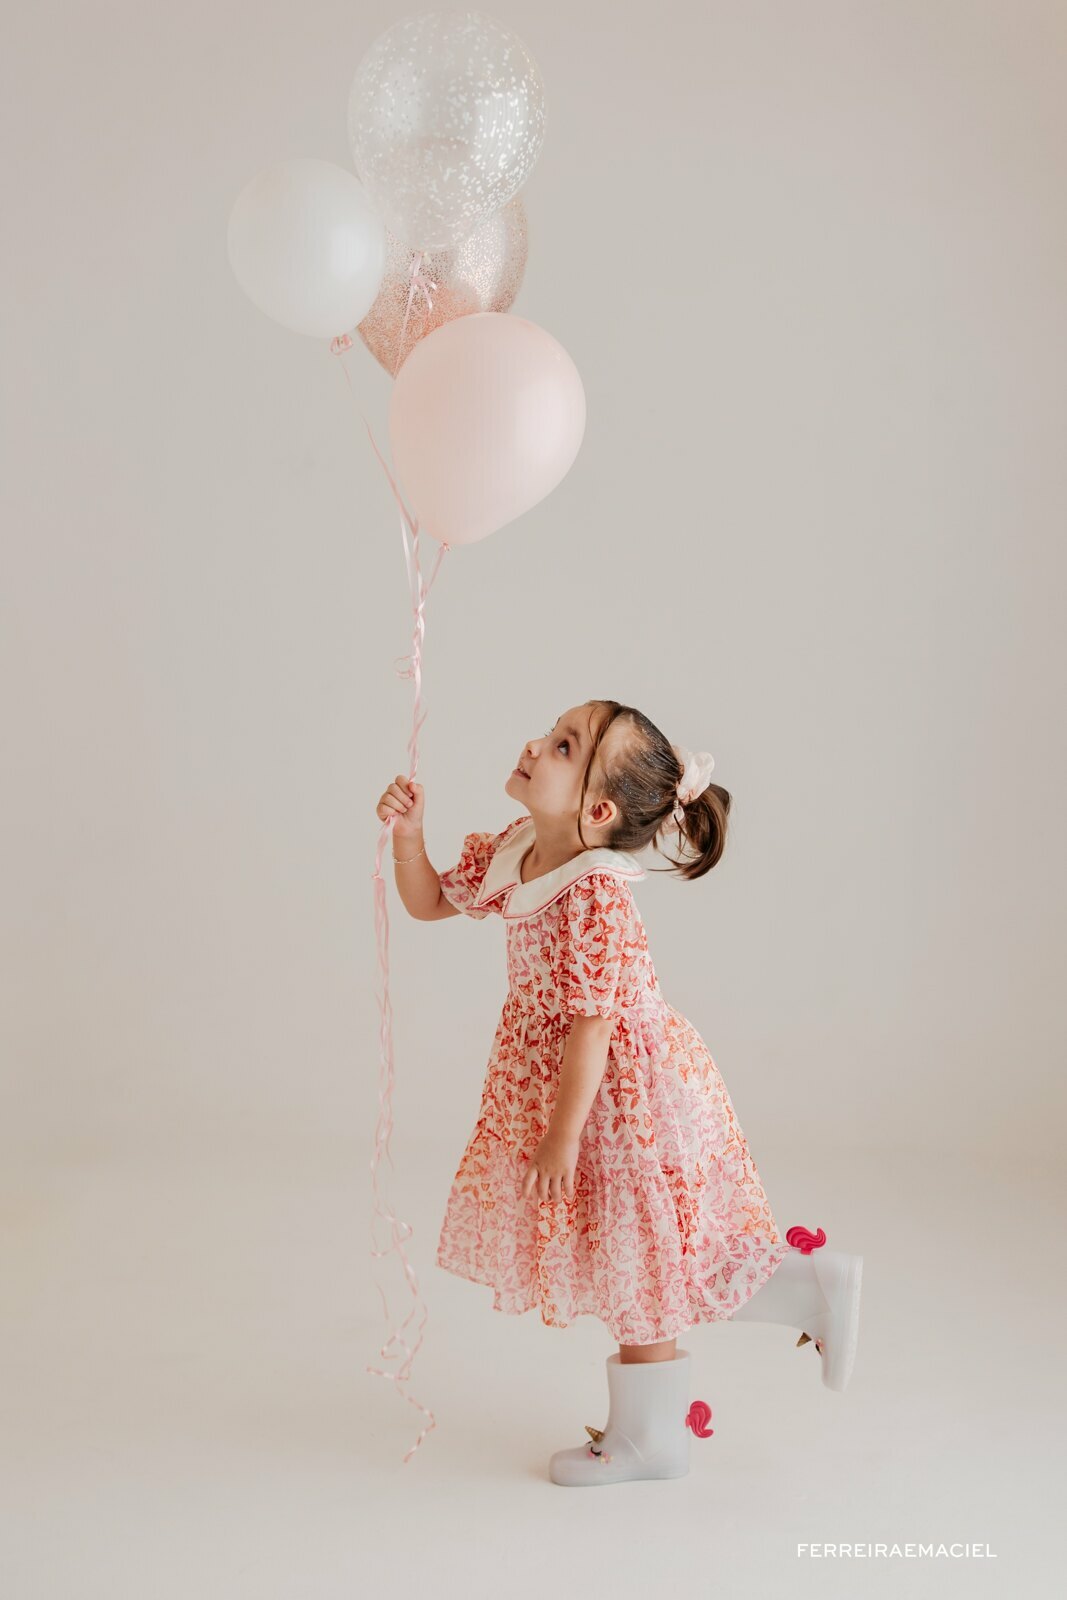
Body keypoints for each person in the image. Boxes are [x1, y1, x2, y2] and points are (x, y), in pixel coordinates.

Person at [376, 699, 863, 1487]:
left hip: (624, 1098)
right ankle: (802, 1294)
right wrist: (408, 838)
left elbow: (593, 1024)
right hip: (582, 1090)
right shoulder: (521, 849)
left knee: (638, 1257)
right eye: (550, 731)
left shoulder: (596, 891)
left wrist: (561, 1133)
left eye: (563, 745)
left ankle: (651, 1438)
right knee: (633, 1257)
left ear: (597, 810)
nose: (536, 743)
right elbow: (430, 899)